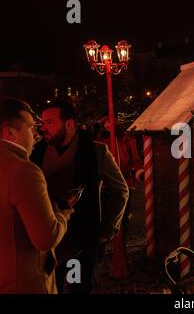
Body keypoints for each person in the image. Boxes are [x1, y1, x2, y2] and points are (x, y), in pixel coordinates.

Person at [31, 100, 129, 294]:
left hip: (81, 239)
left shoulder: (96, 152)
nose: (43, 128)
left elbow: (120, 191)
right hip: (46, 240)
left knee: (78, 288)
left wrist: (107, 229)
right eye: (42, 123)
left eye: (49, 122)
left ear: (68, 124)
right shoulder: (36, 152)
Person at [0, 97, 72, 293]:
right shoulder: (23, 171)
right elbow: (46, 238)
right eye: (31, 128)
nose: (36, 134)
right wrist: (63, 215)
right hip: (23, 282)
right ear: (10, 132)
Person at [96, 116, 144, 234]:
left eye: (110, 122)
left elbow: (135, 157)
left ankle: (122, 241)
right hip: (105, 184)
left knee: (123, 212)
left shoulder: (126, 139)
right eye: (105, 123)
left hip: (125, 180)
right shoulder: (101, 141)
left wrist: (139, 170)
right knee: (107, 214)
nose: (107, 125)